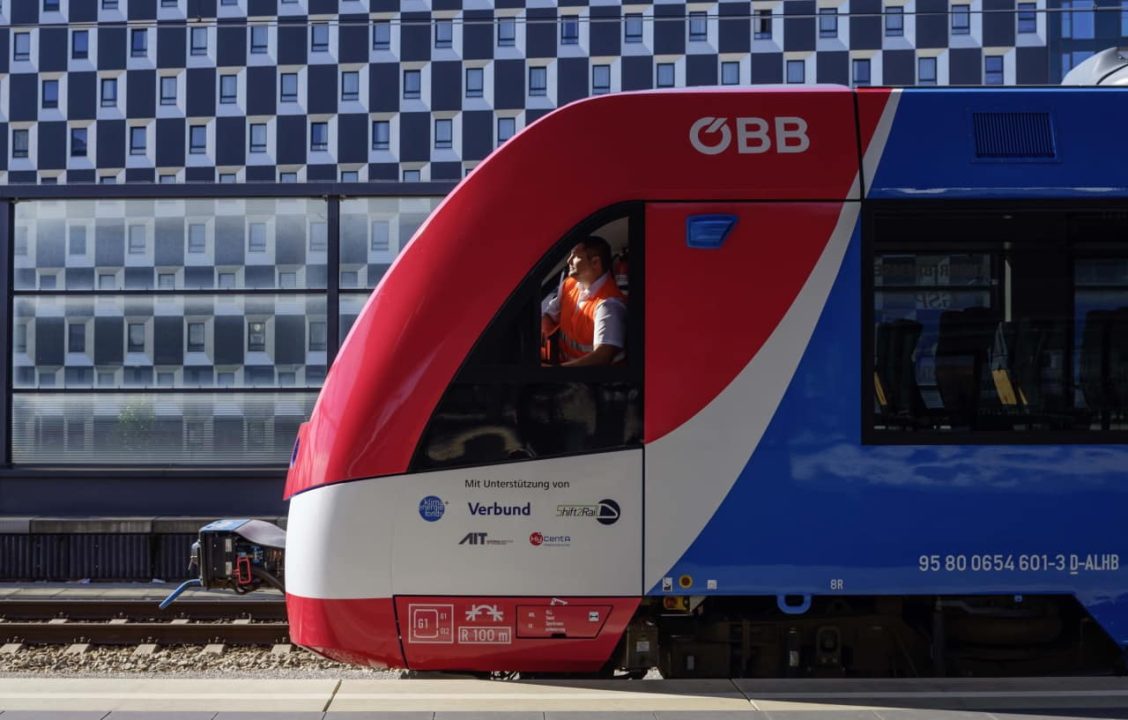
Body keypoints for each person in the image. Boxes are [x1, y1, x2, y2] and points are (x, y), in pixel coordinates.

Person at [541, 236, 627, 366]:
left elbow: (601, 357)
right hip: (568, 375)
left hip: (597, 383)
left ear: (595, 263)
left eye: (575, 256)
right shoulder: (568, 285)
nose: (569, 261)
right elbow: (549, 317)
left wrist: (553, 372)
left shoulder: (609, 305)